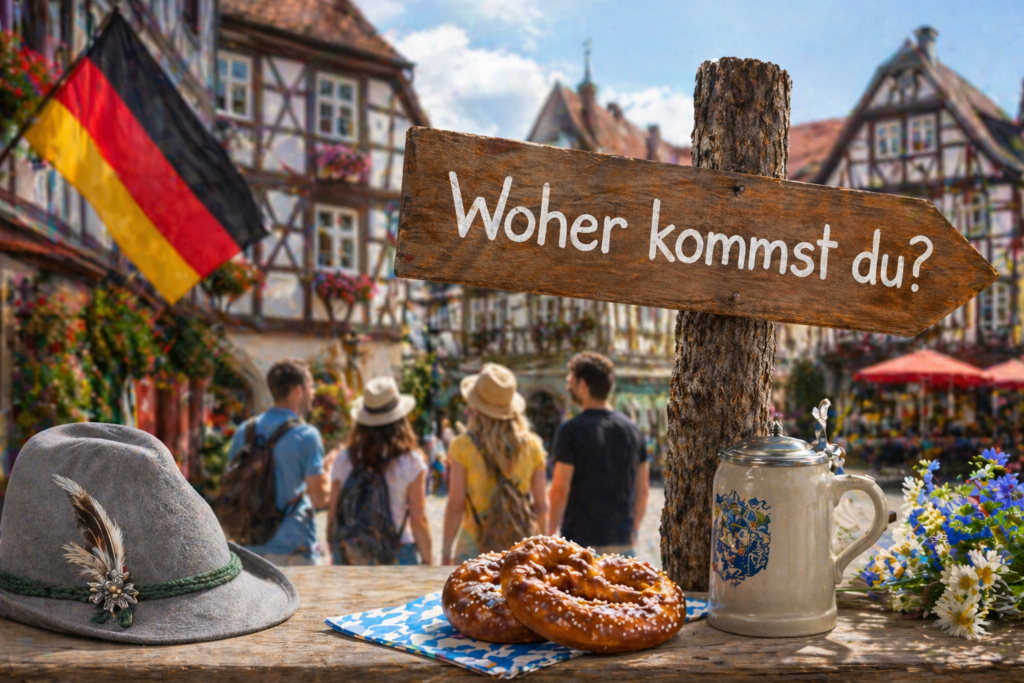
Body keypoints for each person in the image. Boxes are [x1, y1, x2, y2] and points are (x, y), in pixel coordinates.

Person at [226, 358, 332, 566]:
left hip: (250, 547)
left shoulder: (245, 431)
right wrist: (328, 469)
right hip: (293, 548)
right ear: (297, 391)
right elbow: (320, 499)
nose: (314, 392)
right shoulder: (306, 435)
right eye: (311, 386)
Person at [441, 363, 548, 564]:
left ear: (475, 408)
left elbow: (456, 504)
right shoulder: (532, 446)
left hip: (473, 546)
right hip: (520, 547)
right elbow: (541, 506)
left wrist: (446, 551)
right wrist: (543, 549)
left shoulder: (463, 446)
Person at [547, 352, 649, 557]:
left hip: (580, 544)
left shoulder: (571, 431)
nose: (568, 386)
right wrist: (632, 529)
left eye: (571, 381)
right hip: (622, 542)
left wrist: (549, 535)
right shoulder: (633, 430)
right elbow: (643, 492)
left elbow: (559, 490)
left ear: (582, 385)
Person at [328, 376, 432, 565]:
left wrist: (334, 549)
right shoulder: (411, 461)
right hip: (397, 551)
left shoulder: (344, 458)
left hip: (354, 553)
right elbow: (418, 520)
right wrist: (428, 560)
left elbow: (333, 512)